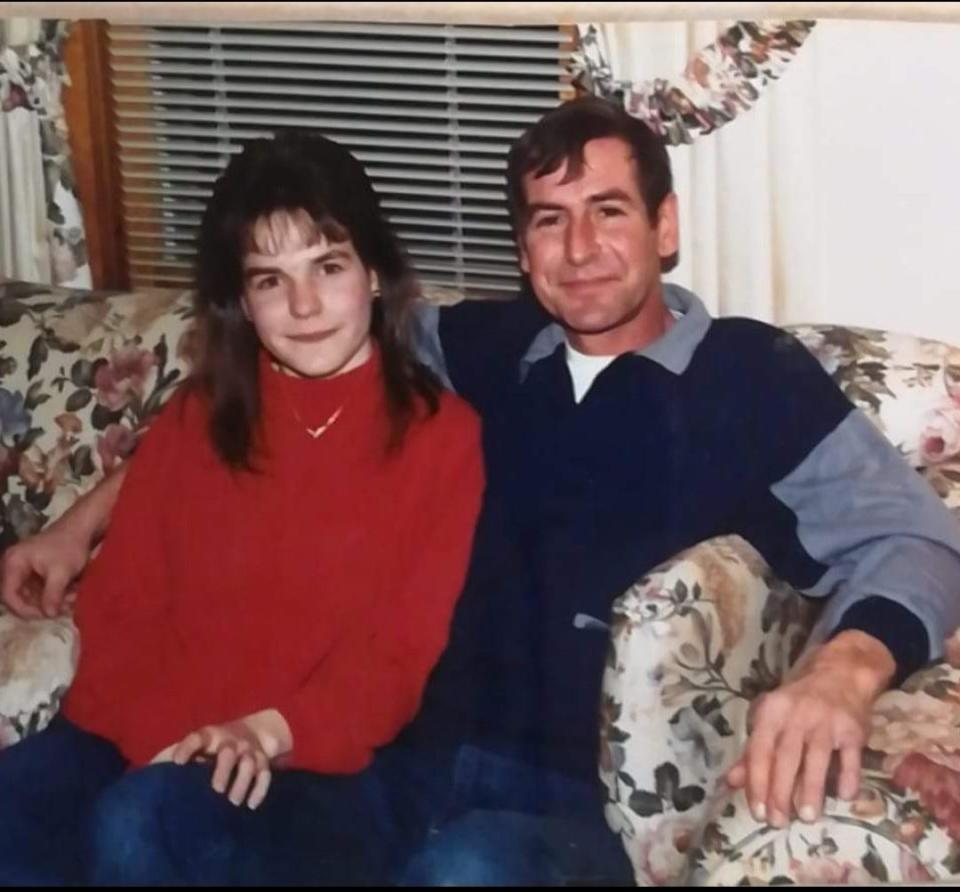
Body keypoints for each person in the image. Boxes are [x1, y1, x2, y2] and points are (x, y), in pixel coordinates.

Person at [6, 96, 960, 885]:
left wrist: (844, 673)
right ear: (523, 248)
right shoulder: (476, 349)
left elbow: (920, 539)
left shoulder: (754, 377)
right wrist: (76, 529)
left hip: (572, 802)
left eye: (610, 210)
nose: (580, 247)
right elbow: (247, 396)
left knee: (461, 875)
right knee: (155, 822)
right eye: (550, 219)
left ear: (665, 226)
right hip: (390, 773)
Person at [0, 130, 484, 885]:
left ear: (377, 274)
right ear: (241, 302)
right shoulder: (197, 418)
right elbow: (120, 604)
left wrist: (262, 733)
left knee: (139, 823)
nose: (302, 304)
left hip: (315, 767)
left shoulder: (441, 439)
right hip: (145, 737)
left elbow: (392, 659)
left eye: (328, 267)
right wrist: (170, 740)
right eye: (269, 280)